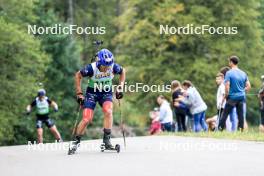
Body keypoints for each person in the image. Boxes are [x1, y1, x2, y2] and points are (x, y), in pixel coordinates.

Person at [69, 48, 126, 154]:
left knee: (108, 111)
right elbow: (78, 75)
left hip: (106, 93)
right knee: (86, 119)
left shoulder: (113, 66)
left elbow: (123, 71)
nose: (107, 68)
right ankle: (75, 142)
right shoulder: (91, 68)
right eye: (105, 66)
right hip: (92, 94)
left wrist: (120, 87)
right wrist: (79, 93)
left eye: (109, 66)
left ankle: (106, 142)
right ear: (99, 62)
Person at [218, 56, 251, 131]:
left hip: (232, 97)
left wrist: (226, 96)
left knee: (225, 114)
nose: (228, 63)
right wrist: (242, 91)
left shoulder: (229, 73)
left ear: (231, 62)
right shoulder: (243, 73)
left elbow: (227, 86)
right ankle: (240, 130)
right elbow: (249, 86)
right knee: (240, 115)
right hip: (241, 97)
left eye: (229, 62)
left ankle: (220, 129)